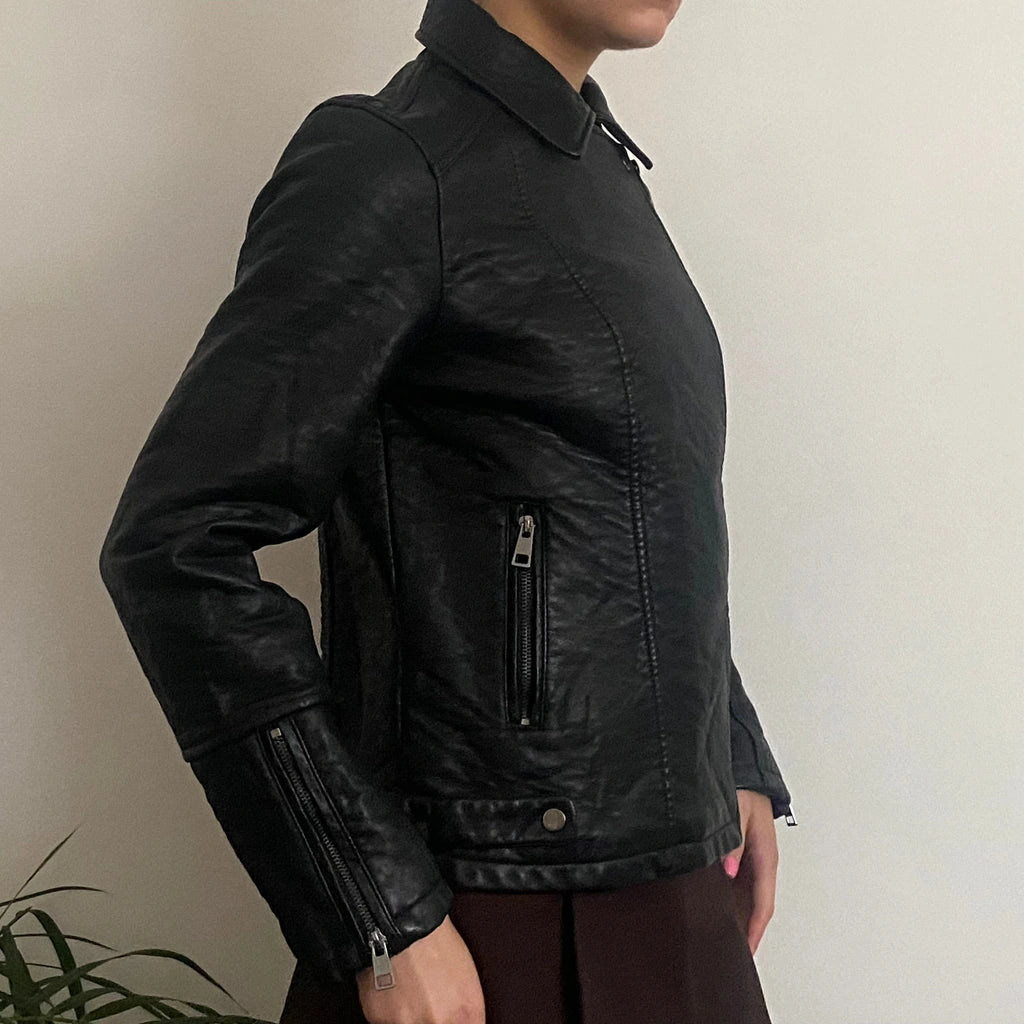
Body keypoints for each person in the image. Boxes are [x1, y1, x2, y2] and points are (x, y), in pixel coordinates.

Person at [98, 0, 797, 1021]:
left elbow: (630, 512)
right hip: (490, 912)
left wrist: (725, 747)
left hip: (668, 884)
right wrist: (379, 915)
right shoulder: (389, 164)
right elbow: (175, 545)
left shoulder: (597, 171)